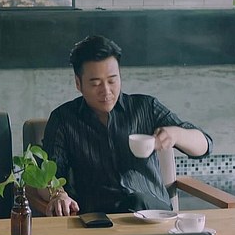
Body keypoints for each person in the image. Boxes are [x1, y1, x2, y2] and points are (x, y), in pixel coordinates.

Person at [40, 35, 212, 216]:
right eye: (96, 83)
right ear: (78, 83)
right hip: (100, 220)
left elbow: (205, 145)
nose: (106, 91)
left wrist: (177, 135)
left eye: (112, 81)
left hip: (154, 216)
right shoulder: (64, 119)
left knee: (138, 200)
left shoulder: (146, 107)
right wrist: (58, 195)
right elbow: (45, 174)